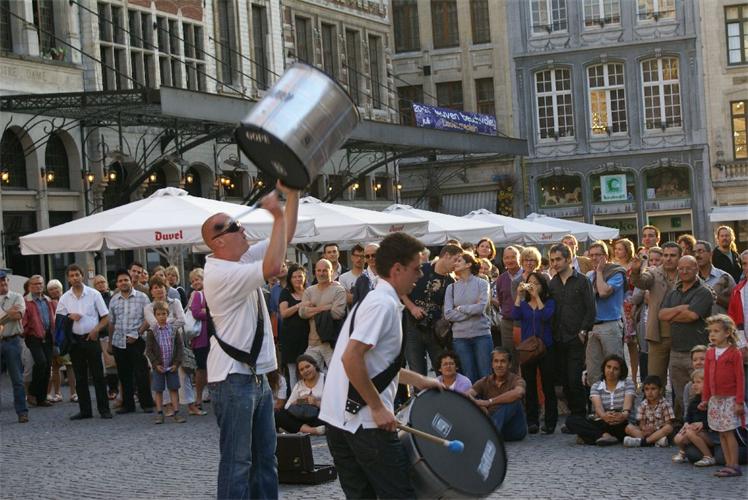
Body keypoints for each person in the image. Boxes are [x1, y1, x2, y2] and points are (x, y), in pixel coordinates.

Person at [320, 232, 443, 499]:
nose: (420, 275)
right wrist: (377, 407)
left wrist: (420, 381)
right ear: (397, 269)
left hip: (339, 419)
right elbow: (351, 358)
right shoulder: (382, 305)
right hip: (364, 423)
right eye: (416, 268)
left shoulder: (376, 300)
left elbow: (376, 365)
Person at [201, 183, 298, 499]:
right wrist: (276, 215)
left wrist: (292, 194)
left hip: (252, 377)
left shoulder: (238, 260)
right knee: (238, 463)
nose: (242, 229)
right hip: (232, 378)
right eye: (234, 227)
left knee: (266, 460)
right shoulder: (219, 274)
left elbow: (285, 238)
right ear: (218, 241)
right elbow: (273, 266)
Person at [659, 255, 714, 419]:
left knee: (700, 393)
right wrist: (680, 308)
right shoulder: (673, 292)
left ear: (696, 268)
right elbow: (661, 315)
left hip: (697, 352)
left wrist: (672, 315)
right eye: (681, 268)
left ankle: (703, 424)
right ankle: (686, 423)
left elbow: (692, 316)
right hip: (676, 351)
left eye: (688, 268)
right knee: (680, 394)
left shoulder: (704, 292)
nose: (684, 271)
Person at [548, 243, 596, 425]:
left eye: (558, 259)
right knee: (565, 381)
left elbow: (591, 309)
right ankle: (575, 417)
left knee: (574, 378)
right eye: (552, 260)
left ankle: (580, 416)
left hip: (576, 337)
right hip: (558, 338)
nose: (555, 263)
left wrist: (583, 331)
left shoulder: (582, 281)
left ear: (568, 259)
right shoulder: (552, 283)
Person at [56, 264, 111, 420]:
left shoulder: (94, 294)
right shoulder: (65, 298)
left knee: (98, 375)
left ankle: (104, 409)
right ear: (68, 279)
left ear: (82, 276)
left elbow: (106, 317)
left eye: (77, 275)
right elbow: (59, 320)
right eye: (72, 276)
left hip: (91, 338)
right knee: (80, 377)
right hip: (75, 341)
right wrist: (69, 317)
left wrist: (96, 330)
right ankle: (85, 410)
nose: (75, 278)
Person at [402, 244, 461, 376]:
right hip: (412, 327)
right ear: (446, 256)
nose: (456, 264)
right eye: (455, 260)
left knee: (442, 371)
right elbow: (400, 290)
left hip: (435, 331)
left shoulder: (451, 281)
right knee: (417, 371)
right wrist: (412, 307)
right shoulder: (421, 269)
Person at [700, 314, 745, 478]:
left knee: (729, 432)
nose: (712, 334)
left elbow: (740, 378)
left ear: (727, 333)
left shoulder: (734, 353)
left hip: (730, 399)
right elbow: (706, 378)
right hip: (715, 400)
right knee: (721, 432)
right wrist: (705, 399)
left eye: (716, 331)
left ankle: (734, 464)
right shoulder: (710, 353)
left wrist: (739, 401)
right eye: (710, 331)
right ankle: (727, 464)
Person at [630, 242, 681, 386]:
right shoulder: (654, 273)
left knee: (679, 380)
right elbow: (641, 282)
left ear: (680, 256)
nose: (668, 258)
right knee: (655, 379)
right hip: (657, 335)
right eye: (666, 255)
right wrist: (636, 271)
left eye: (673, 255)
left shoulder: (685, 272)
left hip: (681, 333)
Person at [513, 272, 557, 434]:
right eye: (529, 283)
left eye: (536, 283)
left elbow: (546, 316)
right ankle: (532, 421)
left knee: (548, 385)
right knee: (530, 385)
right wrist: (519, 296)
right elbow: (515, 315)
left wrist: (537, 297)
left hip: (546, 347)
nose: (532, 286)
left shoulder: (550, 302)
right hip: (528, 349)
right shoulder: (524, 304)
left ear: (542, 286)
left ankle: (550, 421)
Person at [107, 269, 155, 414]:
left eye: (125, 280)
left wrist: (137, 333)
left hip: (137, 340)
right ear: (117, 284)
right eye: (120, 281)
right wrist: (110, 343)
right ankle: (128, 405)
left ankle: (146, 403)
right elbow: (111, 322)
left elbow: (148, 318)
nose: (123, 283)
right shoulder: (114, 299)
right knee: (124, 375)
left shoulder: (142, 297)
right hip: (119, 342)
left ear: (131, 281)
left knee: (141, 373)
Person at [443, 251, 492, 383]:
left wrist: (460, 308)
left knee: (486, 375)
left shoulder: (482, 283)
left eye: (459, 261)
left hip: (481, 335)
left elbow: (481, 308)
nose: (455, 263)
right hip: (460, 338)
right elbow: (448, 314)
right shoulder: (451, 288)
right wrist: (472, 310)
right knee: (468, 377)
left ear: (468, 264)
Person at [565, 354, 635, 446]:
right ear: (604, 368)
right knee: (571, 420)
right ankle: (605, 436)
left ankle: (591, 437)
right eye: (608, 367)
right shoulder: (596, 386)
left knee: (627, 427)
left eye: (615, 369)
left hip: (622, 422)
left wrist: (623, 415)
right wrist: (604, 416)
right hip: (604, 421)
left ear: (621, 371)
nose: (611, 371)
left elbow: (627, 407)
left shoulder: (628, 383)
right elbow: (598, 408)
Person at [586, 241, 627, 384]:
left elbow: (603, 292)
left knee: (614, 369)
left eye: (598, 255)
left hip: (610, 325)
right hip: (593, 326)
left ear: (606, 256)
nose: (594, 258)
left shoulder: (616, 272)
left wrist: (599, 272)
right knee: (593, 371)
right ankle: (596, 397)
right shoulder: (589, 275)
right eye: (591, 255)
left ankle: (618, 397)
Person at [468, 347, 527, 442]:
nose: (499, 365)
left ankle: (490, 433)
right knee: (474, 400)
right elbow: (467, 395)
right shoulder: (485, 381)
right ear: (492, 364)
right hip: (494, 426)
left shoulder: (516, 380)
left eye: (503, 361)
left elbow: (519, 392)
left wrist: (489, 402)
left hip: (514, 430)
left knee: (514, 401)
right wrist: (478, 405)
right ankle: (490, 432)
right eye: (496, 361)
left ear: (509, 364)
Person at [299, 259, 347, 370]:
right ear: (315, 272)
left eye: (325, 270)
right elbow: (302, 313)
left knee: (336, 374)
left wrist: (312, 309)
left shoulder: (339, 290)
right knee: (309, 375)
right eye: (319, 270)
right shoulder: (309, 291)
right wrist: (327, 307)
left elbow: (337, 314)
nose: (321, 274)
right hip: (313, 343)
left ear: (331, 272)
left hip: (331, 343)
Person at [144, 300, 185, 424]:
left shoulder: (173, 330)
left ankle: (176, 412)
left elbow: (179, 347)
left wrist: (176, 363)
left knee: (174, 388)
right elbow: (149, 350)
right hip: (159, 367)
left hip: (172, 365)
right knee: (158, 390)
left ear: (168, 314)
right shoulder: (152, 331)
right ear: (155, 316)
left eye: (164, 314)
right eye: (159, 314)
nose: (161, 317)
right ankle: (159, 413)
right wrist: (156, 364)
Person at [22, 275, 55, 408]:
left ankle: (41, 398)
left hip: (48, 336)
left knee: (47, 366)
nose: (38, 286)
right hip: (33, 336)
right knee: (41, 363)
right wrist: (26, 332)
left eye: (40, 283)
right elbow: (23, 320)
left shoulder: (47, 299)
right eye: (35, 284)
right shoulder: (26, 301)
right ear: (30, 286)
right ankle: (32, 392)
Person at [1, 270, 29, 423]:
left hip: (13, 341)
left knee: (17, 379)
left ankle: (22, 412)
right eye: (0, 281)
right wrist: (8, 313)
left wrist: (3, 316)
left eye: (4, 280)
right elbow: (11, 315)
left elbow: (18, 315)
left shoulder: (17, 297)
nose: (3, 283)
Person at [672, 369, 715, 466]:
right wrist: (687, 423)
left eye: (698, 382)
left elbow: (715, 419)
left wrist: (703, 424)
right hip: (696, 430)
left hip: (711, 433)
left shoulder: (712, 400)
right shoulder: (694, 400)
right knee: (678, 438)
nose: (694, 385)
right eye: (693, 382)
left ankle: (708, 456)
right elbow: (688, 416)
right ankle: (682, 452)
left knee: (690, 433)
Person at [275, 354, 325, 435]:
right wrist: (300, 400)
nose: (305, 371)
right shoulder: (299, 384)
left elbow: (334, 406)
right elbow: (287, 406)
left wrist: (316, 402)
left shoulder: (326, 379)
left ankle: (304, 430)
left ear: (315, 365)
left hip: (320, 416)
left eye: (307, 366)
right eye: (301, 370)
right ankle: (312, 431)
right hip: (302, 417)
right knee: (278, 415)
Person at [279, 264, 310, 389]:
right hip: (290, 339)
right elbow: (284, 313)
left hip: (308, 337)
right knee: (293, 373)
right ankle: (295, 398)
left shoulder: (309, 291)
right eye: (294, 277)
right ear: (290, 279)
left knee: (309, 369)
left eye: (300, 276)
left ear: (305, 277)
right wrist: (299, 305)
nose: (298, 279)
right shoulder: (285, 293)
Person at [614, 238, 640, 385]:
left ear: (627, 250)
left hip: (630, 303)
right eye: (616, 249)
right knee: (618, 343)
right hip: (617, 304)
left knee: (632, 343)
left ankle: (635, 378)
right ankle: (621, 376)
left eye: (620, 249)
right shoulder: (613, 265)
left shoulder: (633, 265)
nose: (617, 251)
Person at [46, 279, 76, 403]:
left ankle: (74, 393)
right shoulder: (47, 303)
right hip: (53, 338)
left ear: (61, 289)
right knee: (55, 367)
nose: (54, 291)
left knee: (69, 365)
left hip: (66, 338)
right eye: (51, 289)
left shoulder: (68, 300)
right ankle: (57, 393)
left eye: (56, 288)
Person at [623, 375, 674, 447]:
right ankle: (655, 441)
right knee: (628, 428)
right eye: (647, 389)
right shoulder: (643, 404)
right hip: (646, 432)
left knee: (668, 428)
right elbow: (641, 423)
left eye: (653, 389)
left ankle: (644, 442)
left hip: (659, 431)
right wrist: (644, 429)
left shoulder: (665, 404)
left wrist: (655, 429)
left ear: (660, 390)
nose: (650, 392)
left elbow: (668, 422)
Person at [187, 268, 210, 414]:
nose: (195, 282)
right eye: (193, 280)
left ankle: (210, 395)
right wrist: (210, 312)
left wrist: (206, 311)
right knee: (201, 368)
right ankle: (199, 398)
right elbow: (196, 313)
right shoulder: (196, 295)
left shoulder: (212, 292)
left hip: (214, 337)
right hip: (201, 338)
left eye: (198, 279)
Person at [694, 240, 736, 315]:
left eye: (700, 251)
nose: (697, 255)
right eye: (694, 252)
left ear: (711, 254)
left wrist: (716, 296)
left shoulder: (724, 277)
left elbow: (736, 304)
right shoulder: (692, 279)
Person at [495, 245, 522, 354]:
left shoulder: (527, 276)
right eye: (506, 257)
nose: (510, 260)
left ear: (519, 258)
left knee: (524, 353)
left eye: (513, 257)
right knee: (508, 354)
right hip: (507, 321)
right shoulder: (501, 279)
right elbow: (501, 300)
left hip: (524, 321)